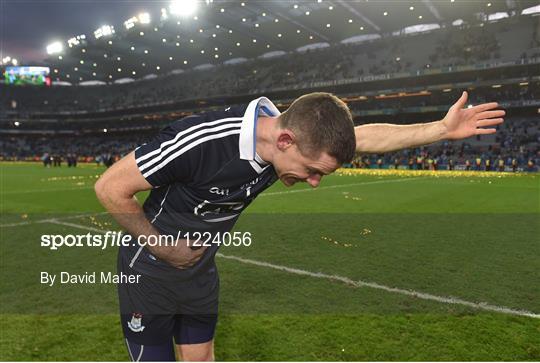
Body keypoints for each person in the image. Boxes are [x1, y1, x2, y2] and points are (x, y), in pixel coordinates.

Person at [95, 91, 503, 362]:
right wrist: (165, 248)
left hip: (200, 269)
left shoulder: (292, 139)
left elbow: (363, 137)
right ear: (286, 141)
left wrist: (441, 130)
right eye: (311, 171)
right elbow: (111, 187)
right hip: (149, 271)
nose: (313, 181)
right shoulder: (203, 141)